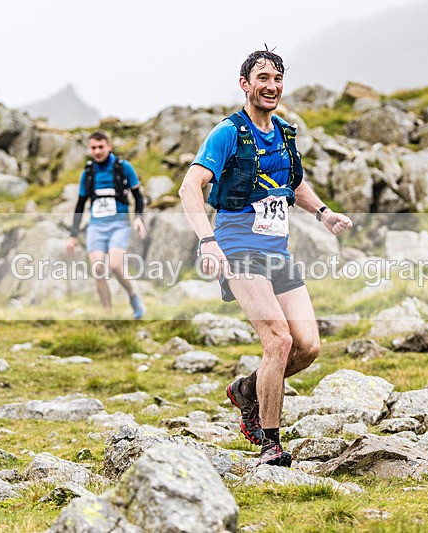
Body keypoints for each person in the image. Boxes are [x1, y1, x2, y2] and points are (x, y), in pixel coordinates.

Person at [178, 50, 353, 467]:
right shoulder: (227, 133)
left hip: (278, 252)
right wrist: (207, 241)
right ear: (245, 84)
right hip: (238, 249)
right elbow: (190, 187)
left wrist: (324, 213)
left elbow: (294, 182)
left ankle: (245, 391)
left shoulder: (285, 133)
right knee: (278, 340)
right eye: (262, 78)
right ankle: (270, 443)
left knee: (307, 347)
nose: (271, 85)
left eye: (277, 78)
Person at [67, 131, 147, 319]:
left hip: (119, 224)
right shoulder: (88, 173)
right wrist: (73, 235)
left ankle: (133, 296)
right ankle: (107, 313)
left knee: (115, 265)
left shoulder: (123, 167)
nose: (97, 151)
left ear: (109, 146)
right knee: (98, 269)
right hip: (96, 226)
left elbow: (138, 196)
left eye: (101, 147)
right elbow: (80, 204)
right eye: (93, 148)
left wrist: (138, 218)